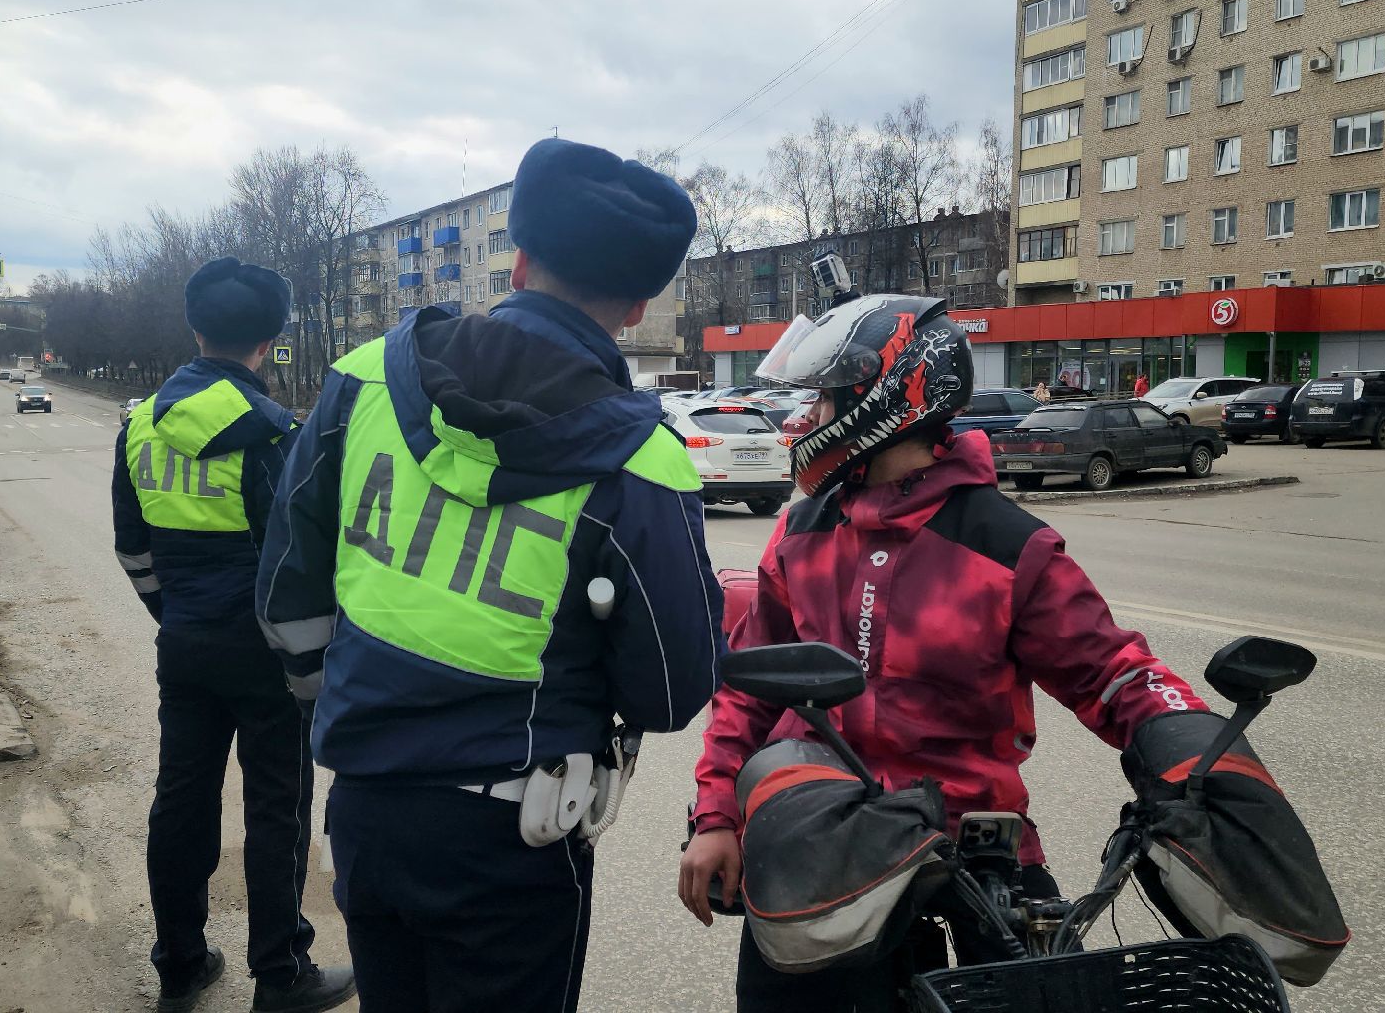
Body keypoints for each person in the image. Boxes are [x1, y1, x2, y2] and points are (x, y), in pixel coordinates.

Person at [257, 138, 724, 1013]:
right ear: (636, 306)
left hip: (365, 811)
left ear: (516, 262)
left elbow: (287, 586)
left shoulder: (360, 384)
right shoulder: (642, 462)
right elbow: (669, 692)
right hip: (515, 835)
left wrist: (343, 705)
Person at [677, 295, 1208, 1012]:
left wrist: (1205, 760)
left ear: (889, 401)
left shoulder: (1006, 544)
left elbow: (1113, 673)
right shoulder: (803, 530)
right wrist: (715, 815)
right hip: (822, 839)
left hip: (976, 852)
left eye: (828, 399)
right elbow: (751, 688)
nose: (808, 419)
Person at [112, 257, 355, 1013]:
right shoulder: (276, 433)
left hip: (184, 643)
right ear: (271, 339)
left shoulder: (140, 423)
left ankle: (181, 963)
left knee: (180, 799)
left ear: (195, 327)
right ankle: (280, 975)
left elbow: (132, 548)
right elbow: (303, 558)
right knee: (277, 806)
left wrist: (176, 615)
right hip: (268, 654)